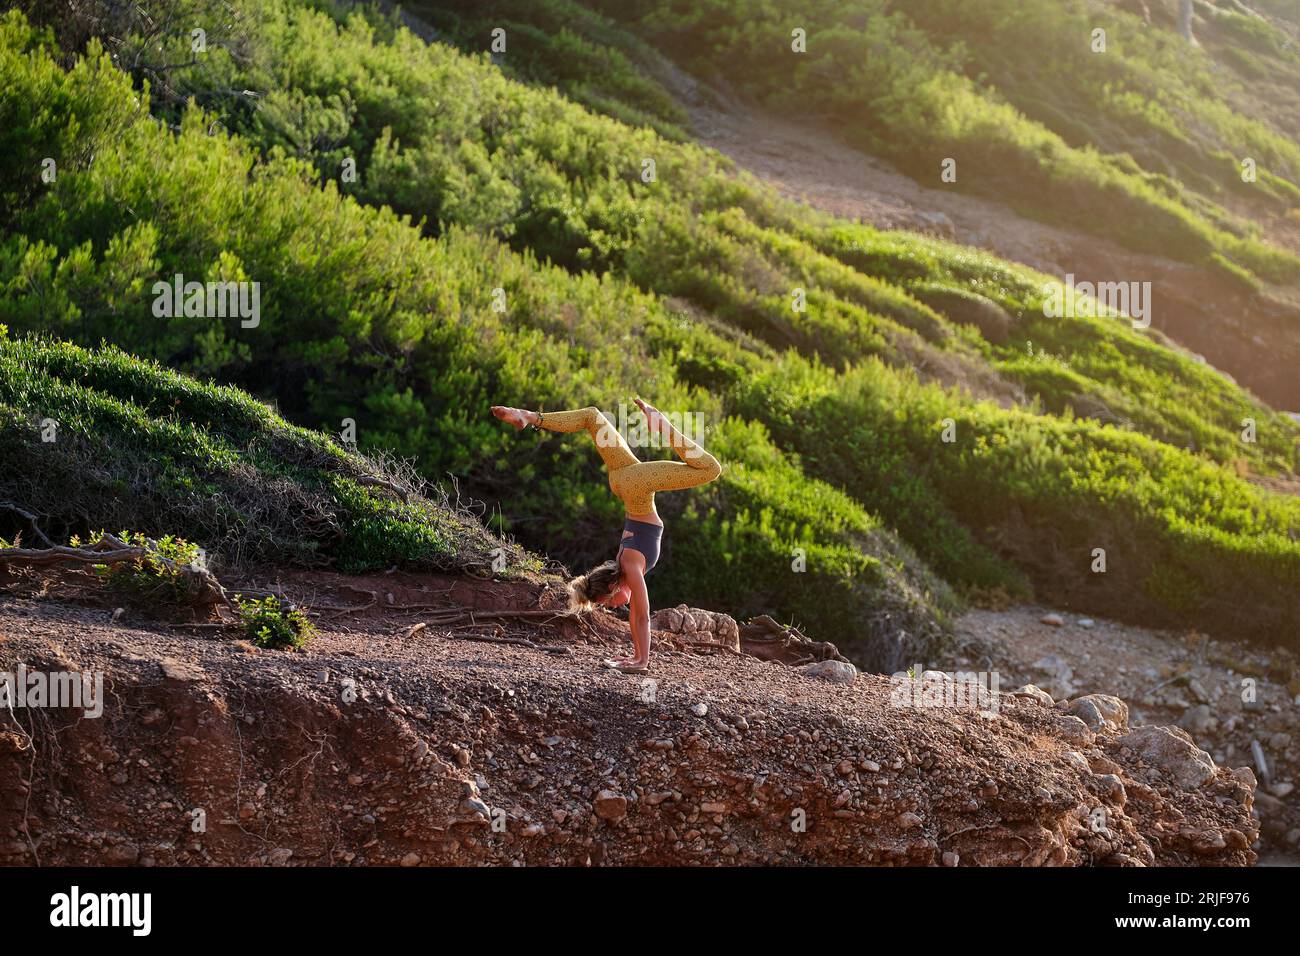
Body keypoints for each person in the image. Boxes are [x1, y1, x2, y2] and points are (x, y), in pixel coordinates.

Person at [490, 398, 721, 673]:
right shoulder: (624, 562)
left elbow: (642, 616)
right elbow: (636, 616)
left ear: (612, 588)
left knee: (710, 469)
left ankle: (663, 426)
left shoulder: (631, 566)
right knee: (591, 417)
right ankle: (528, 416)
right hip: (621, 477)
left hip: (636, 483)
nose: (615, 607)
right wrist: (635, 658)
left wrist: (642, 662)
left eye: (609, 604)